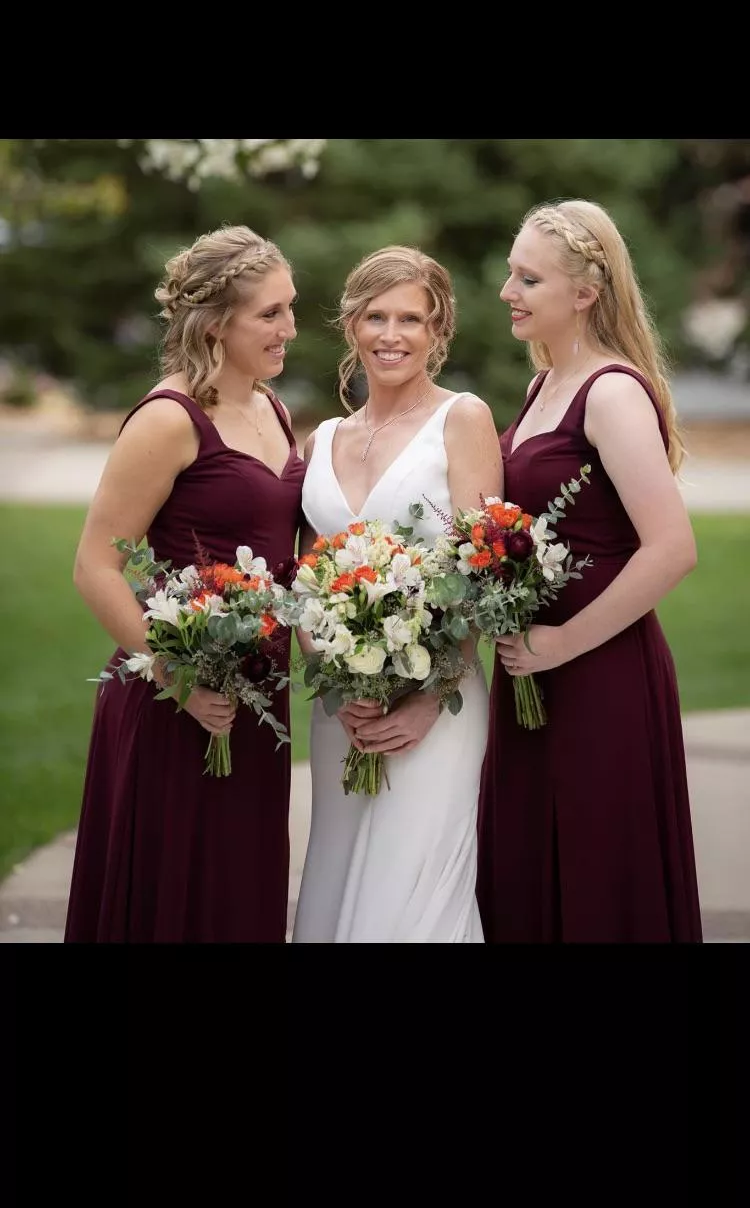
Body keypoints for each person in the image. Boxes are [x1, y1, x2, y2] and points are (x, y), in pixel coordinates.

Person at [64, 225, 306, 943]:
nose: (291, 327)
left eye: (290, 307)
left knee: (238, 894)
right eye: (272, 313)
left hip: (257, 705)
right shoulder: (169, 420)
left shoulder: (274, 408)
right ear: (215, 323)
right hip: (177, 704)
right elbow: (95, 566)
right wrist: (177, 675)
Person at [476, 199, 703, 943]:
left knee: (601, 875)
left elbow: (672, 547)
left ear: (584, 293)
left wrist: (564, 642)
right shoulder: (544, 386)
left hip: (600, 673)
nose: (508, 291)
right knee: (526, 868)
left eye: (527, 278)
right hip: (531, 668)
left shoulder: (610, 391)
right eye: (512, 273)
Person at [291, 245, 502, 943]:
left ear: (439, 331)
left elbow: (482, 569)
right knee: (336, 882)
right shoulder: (321, 439)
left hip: (436, 706)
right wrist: (332, 671)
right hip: (341, 709)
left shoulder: (462, 420)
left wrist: (422, 701)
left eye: (411, 318)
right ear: (350, 325)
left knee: (411, 898)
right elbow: (304, 578)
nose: (391, 334)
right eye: (375, 316)